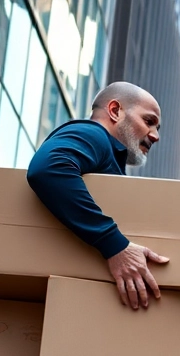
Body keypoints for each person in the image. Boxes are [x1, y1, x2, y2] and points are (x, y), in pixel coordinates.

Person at [26, 82, 167, 311]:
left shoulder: (109, 157)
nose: (155, 136)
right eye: (149, 121)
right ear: (115, 111)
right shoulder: (94, 135)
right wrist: (115, 246)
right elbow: (48, 169)